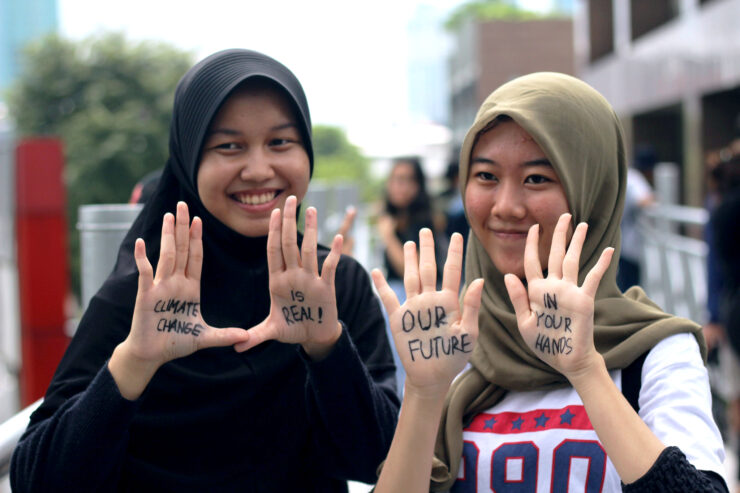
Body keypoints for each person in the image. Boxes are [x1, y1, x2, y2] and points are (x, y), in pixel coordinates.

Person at [10, 49, 399, 492]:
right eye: (229, 146)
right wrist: (135, 361)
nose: (258, 169)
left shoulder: (332, 283)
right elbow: (38, 480)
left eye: (280, 142)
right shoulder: (149, 292)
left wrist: (327, 348)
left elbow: (380, 461)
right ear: (189, 159)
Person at [371, 72, 727, 492]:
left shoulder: (655, 352)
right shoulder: (450, 342)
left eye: (536, 179)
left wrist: (585, 369)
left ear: (592, 190)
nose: (505, 206)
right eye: (486, 176)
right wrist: (423, 393)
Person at [376, 156, 445, 394]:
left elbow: (410, 273)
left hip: (415, 304)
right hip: (398, 304)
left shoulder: (423, 222)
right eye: (394, 180)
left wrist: (388, 236)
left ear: (418, 186)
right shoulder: (396, 219)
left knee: (409, 371)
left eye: (405, 180)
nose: (398, 186)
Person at [617, 145, 655, 292]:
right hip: (629, 245)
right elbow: (642, 200)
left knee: (626, 286)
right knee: (631, 289)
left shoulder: (629, 176)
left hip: (623, 241)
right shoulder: (635, 179)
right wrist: (657, 198)